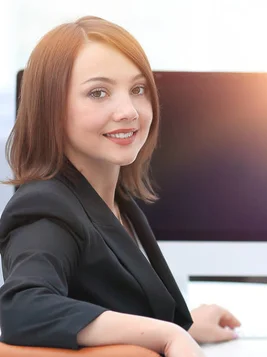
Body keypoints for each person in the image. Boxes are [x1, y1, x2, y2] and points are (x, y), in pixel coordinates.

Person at [0, 16, 240, 357]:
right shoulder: (45, 208)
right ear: (51, 108)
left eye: (138, 89)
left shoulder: (114, 199)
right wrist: (165, 335)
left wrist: (184, 326)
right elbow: (21, 307)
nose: (128, 111)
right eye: (98, 93)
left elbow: (116, 300)